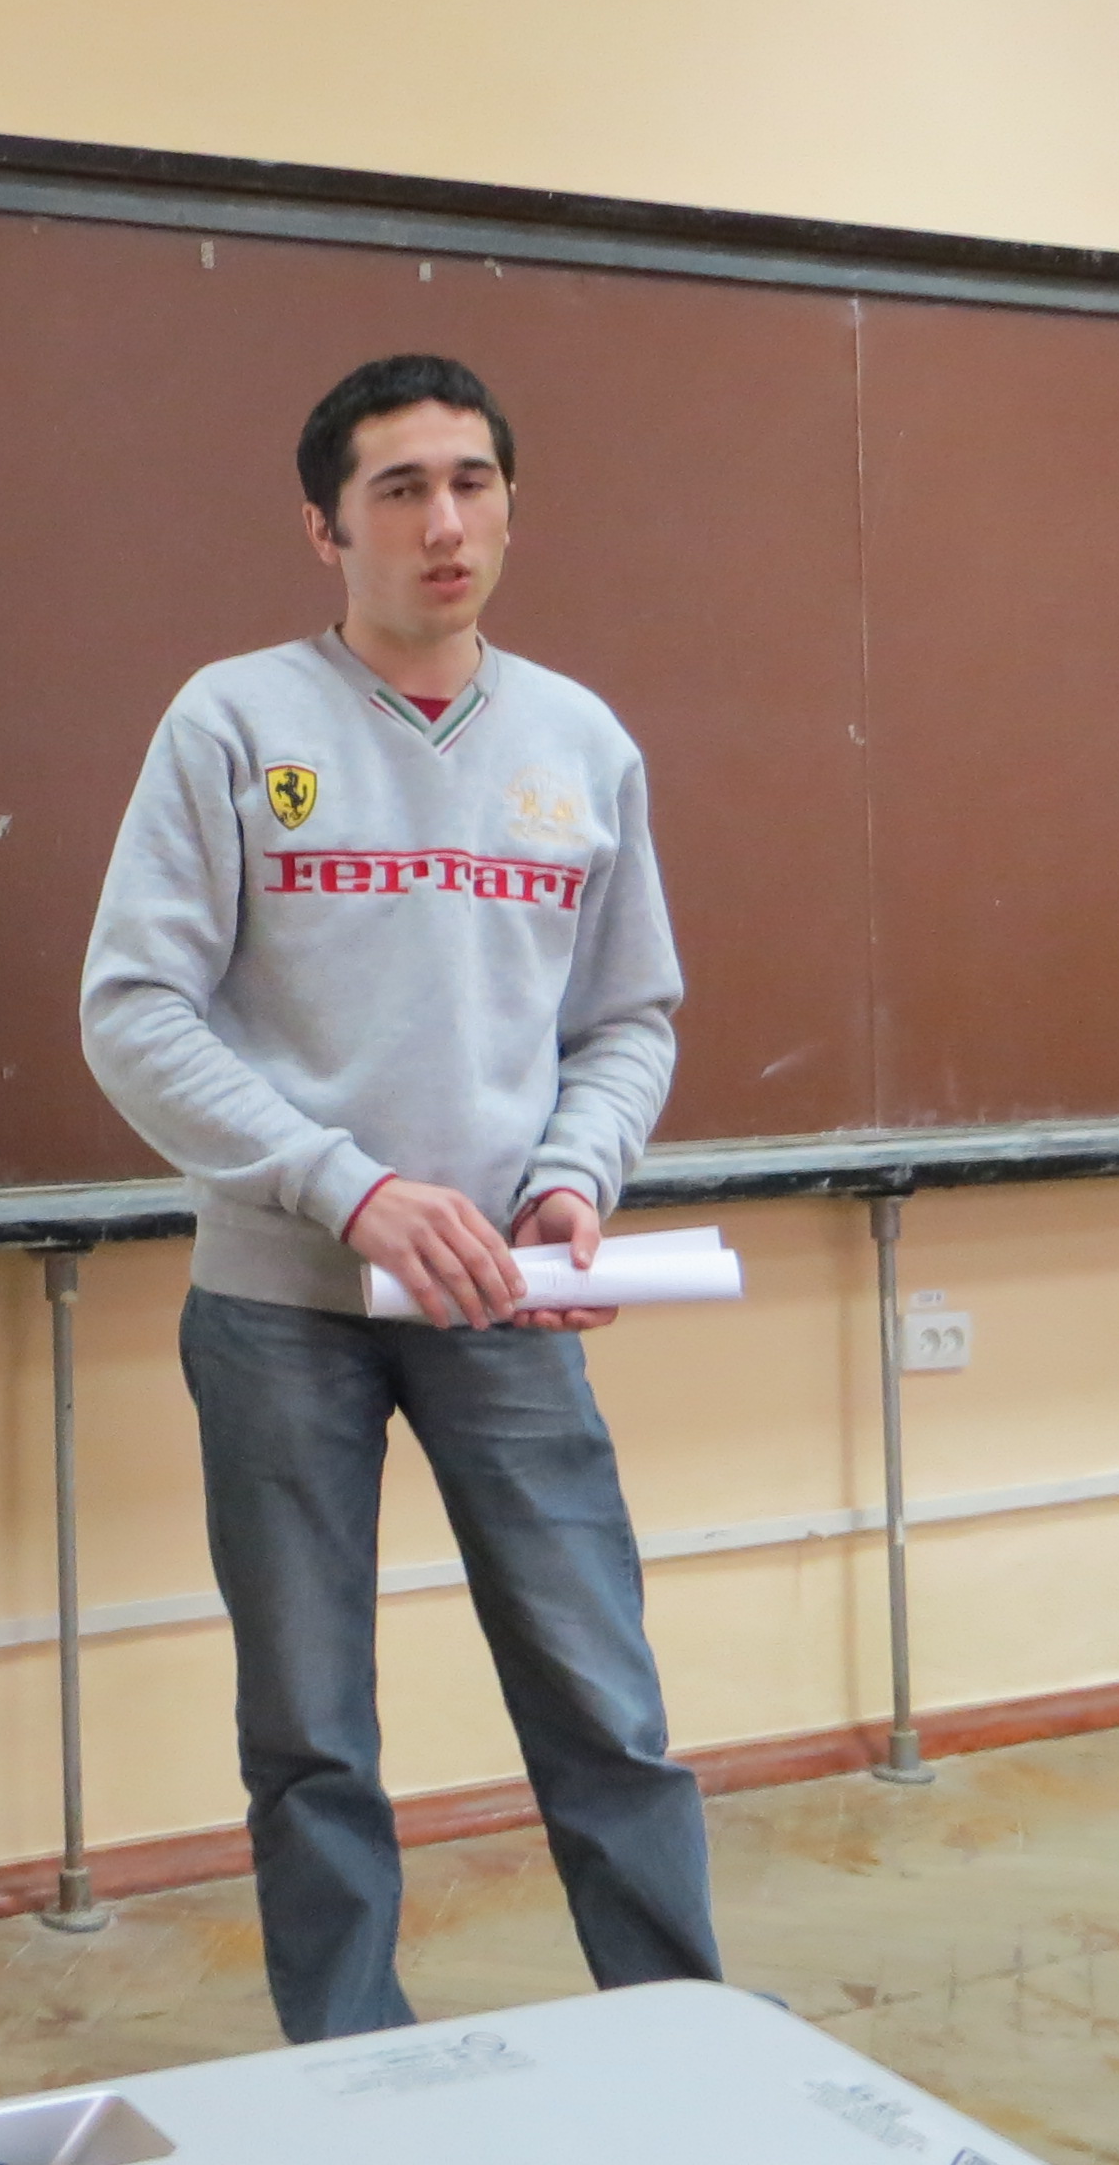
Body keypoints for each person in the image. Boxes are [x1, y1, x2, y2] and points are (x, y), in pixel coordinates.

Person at [77, 349, 722, 2043]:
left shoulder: (579, 741)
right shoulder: (234, 723)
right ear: (327, 529)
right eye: (401, 490)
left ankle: (682, 2038)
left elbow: (628, 1018)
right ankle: (349, 2065)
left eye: (473, 483)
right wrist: (345, 1188)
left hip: (507, 1297)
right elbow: (133, 1010)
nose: (445, 523)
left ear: (510, 508)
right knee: (309, 1733)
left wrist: (575, 1175)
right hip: (280, 1312)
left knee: (602, 1700)